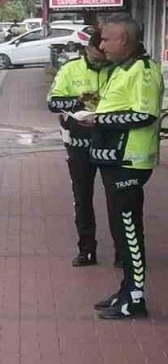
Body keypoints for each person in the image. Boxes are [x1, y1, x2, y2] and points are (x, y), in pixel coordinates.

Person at [82, 12, 163, 320]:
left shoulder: (142, 70)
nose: (100, 45)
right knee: (119, 227)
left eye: (106, 38)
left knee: (129, 230)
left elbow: (145, 115)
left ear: (124, 40)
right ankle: (127, 289)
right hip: (115, 158)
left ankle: (135, 298)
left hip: (130, 160)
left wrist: (99, 119)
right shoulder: (123, 68)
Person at [47, 30, 112, 267]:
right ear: (87, 50)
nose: (99, 63)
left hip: (109, 142)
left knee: (115, 199)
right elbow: (53, 103)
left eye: (102, 59)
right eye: (95, 58)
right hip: (79, 144)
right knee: (82, 198)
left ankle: (120, 252)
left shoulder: (115, 68)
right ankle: (87, 250)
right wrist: (78, 102)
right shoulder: (70, 70)